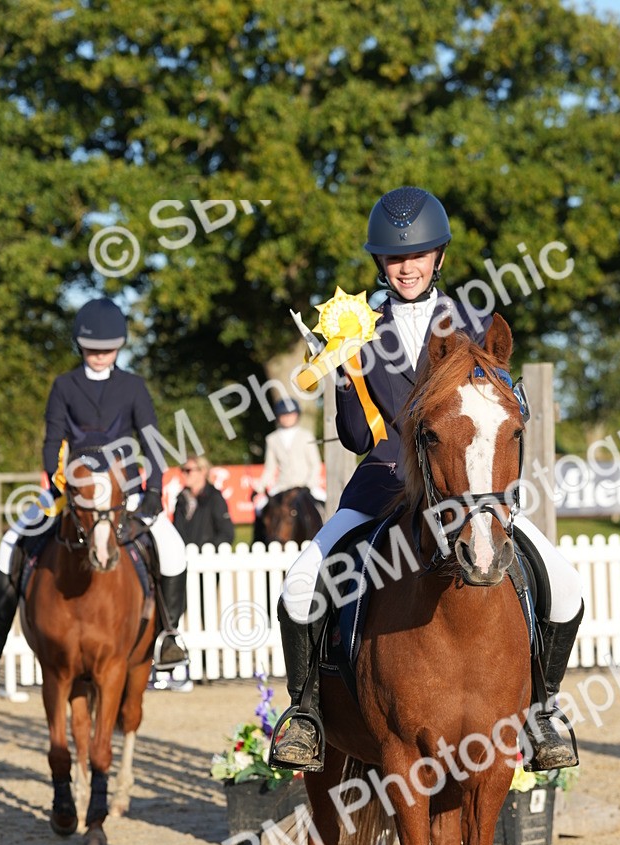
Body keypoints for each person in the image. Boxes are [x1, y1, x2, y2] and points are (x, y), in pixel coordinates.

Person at [270, 186, 584, 773]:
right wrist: (343, 377)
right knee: (301, 580)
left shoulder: (477, 322)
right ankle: (306, 714)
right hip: (383, 485)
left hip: (467, 491)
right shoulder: (356, 328)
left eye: (417, 256)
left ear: (438, 256)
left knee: (563, 584)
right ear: (380, 264)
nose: (406, 267)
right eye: (394, 259)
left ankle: (543, 711)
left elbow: (504, 414)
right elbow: (360, 438)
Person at [0, 297, 188, 673]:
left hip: (122, 494)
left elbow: (152, 443)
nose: (99, 355)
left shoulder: (132, 386)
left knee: (173, 547)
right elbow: (53, 440)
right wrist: (57, 482)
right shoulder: (64, 385)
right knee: (12, 539)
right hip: (72, 492)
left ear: (119, 347)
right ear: (80, 346)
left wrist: (154, 492)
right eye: (93, 349)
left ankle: (169, 637)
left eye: (107, 349)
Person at [252, 396, 325, 514]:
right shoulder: (272, 439)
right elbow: (270, 468)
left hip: (305, 485)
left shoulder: (306, 436)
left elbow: (315, 465)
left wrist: (309, 485)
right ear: (278, 417)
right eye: (284, 415)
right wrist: (259, 488)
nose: (287, 418)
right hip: (282, 486)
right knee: (260, 509)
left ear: (297, 415)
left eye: (291, 414)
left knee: (325, 507)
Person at [173, 455, 235, 548]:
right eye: (183, 470)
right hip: (184, 557)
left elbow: (227, 533)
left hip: (206, 558)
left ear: (203, 471)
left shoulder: (214, 497)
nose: (184, 474)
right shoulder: (181, 499)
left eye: (188, 470)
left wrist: (208, 550)